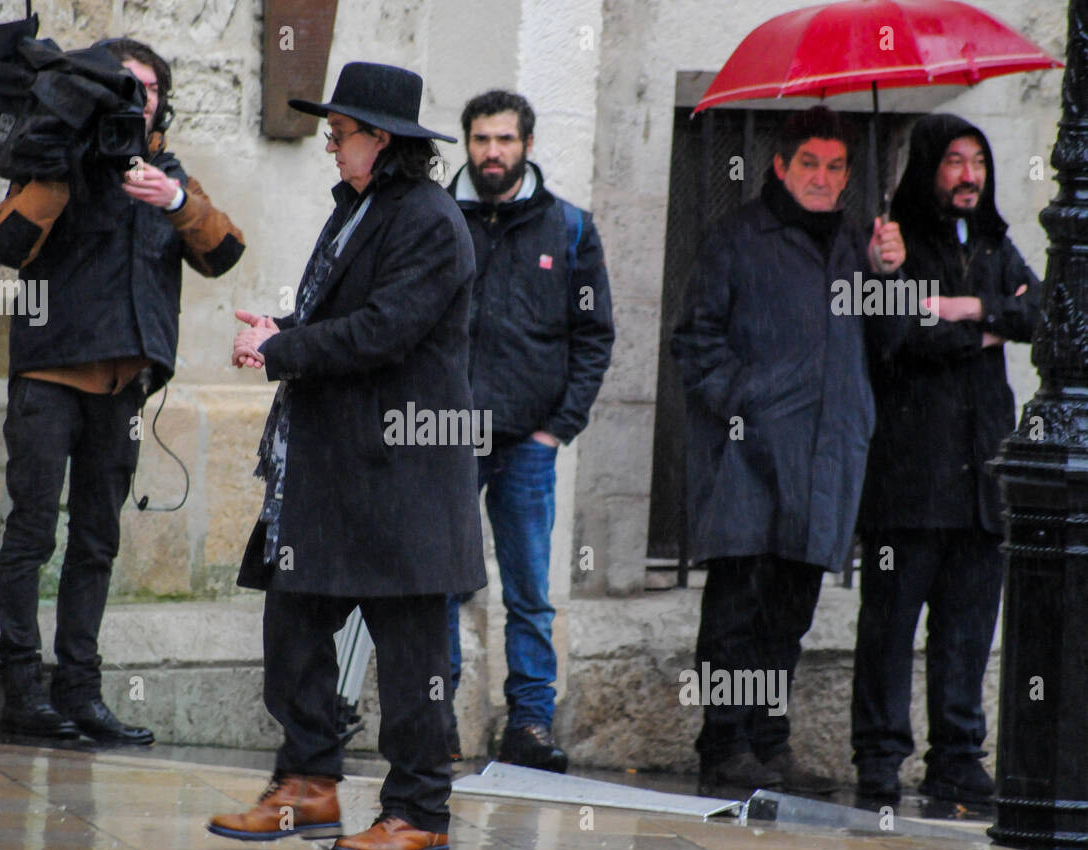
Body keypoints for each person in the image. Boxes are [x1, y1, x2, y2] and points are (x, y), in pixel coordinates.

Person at [207, 62, 484, 850]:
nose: (330, 145)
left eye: (340, 134)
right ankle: (307, 784)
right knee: (292, 625)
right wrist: (285, 324)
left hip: (401, 472)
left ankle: (419, 810)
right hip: (329, 468)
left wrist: (279, 348)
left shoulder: (431, 220)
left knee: (412, 659)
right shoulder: (359, 208)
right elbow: (345, 317)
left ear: (381, 139)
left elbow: (384, 331)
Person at [0, 38, 246, 744]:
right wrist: (61, 170)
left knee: (97, 539)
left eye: (150, 89)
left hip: (124, 386)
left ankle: (81, 691)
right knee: (33, 531)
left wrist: (178, 201)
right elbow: (3, 244)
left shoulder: (166, 171)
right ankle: (21, 687)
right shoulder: (57, 152)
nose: (138, 98)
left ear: (163, 103)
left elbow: (224, 252)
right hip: (49, 376)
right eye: (124, 85)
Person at [671, 106, 904, 796]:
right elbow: (694, 340)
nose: (823, 179)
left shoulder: (857, 245)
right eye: (810, 164)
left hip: (826, 463)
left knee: (788, 618)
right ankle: (724, 744)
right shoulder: (736, 238)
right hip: (748, 461)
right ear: (780, 165)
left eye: (836, 167)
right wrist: (748, 402)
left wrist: (890, 275)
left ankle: (769, 746)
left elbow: (888, 348)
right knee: (736, 612)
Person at [853, 114, 1040, 804]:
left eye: (979, 162)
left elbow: (1043, 314)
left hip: (982, 477)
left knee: (967, 629)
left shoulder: (994, 240)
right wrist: (986, 330)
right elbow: (902, 335)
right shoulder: (896, 244)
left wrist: (965, 306)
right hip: (910, 475)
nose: (969, 175)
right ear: (930, 167)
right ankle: (879, 757)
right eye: (955, 161)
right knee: (890, 627)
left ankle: (958, 755)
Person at [443, 90, 613, 772]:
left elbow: (594, 335)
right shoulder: (439, 217)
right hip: (448, 435)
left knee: (529, 593)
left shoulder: (568, 227)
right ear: (468, 143)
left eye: (505, 140)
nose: (492, 152)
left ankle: (531, 726)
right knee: (442, 586)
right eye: (482, 139)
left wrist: (556, 428)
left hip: (527, 444)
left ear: (528, 144)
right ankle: (437, 720)